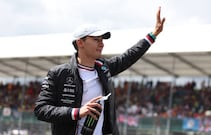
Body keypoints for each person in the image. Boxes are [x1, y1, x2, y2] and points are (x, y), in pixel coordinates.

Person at [34, 6, 165, 135]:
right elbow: (41, 110)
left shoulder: (104, 69)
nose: (101, 44)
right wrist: (77, 112)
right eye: (96, 40)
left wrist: (153, 35)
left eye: (102, 40)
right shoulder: (58, 74)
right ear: (80, 43)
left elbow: (129, 56)